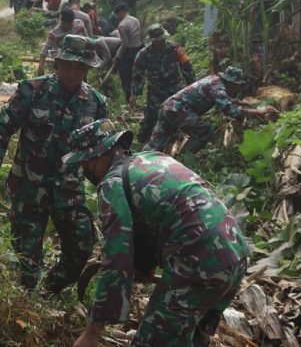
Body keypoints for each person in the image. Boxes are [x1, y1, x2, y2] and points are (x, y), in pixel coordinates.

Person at [64, 119, 249, 347]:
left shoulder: (112, 184)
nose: (85, 172)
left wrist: (92, 332)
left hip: (198, 262)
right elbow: (166, 215)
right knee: (191, 338)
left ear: (95, 157)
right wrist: (145, 267)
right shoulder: (153, 158)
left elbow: (116, 256)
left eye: (84, 165)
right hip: (236, 254)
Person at [0, 35, 108, 293]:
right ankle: (26, 302)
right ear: (57, 62)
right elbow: (3, 127)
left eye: (81, 67)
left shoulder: (96, 103)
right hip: (29, 187)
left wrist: (107, 187)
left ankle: (49, 291)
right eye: (69, 65)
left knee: (82, 247)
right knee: (27, 257)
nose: (74, 72)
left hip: (69, 190)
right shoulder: (32, 90)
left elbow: (100, 151)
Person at [144, 66, 279, 153]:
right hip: (178, 110)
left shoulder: (214, 80)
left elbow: (222, 99)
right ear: (232, 82)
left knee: (155, 143)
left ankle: (137, 162)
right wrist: (258, 111)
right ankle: (184, 162)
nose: (238, 89)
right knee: (204, 130)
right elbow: (230, 110)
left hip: (168, 108)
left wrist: (240, 102)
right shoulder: (218, 86)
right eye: (238, 86)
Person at [130, 24, 197, 144]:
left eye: (162, 39)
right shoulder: (143, 54)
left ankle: (184, 134)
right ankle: (144, 137)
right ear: (152, 41)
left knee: (181, 109)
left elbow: (186, 66)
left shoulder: (175, 48)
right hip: (156, 87)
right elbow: (137, 74)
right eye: (158, 40)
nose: (161, 42)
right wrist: (134, 93)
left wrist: (192, 85)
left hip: (175, 84)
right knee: (153, 115)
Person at [37, 8, 88, 76]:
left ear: (72, 21)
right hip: (62, 63)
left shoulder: (79, 25)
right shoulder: (54, 33)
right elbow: (45, 49)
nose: (66, 26)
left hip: (79, 62)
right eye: (64, 23)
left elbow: (87, 40)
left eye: (69, 23)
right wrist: (41, 67)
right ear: (60, 20)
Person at [111, 2, 142, 103]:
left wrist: (117, 56)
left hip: (128, 52)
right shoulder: (135, 19)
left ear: (121, 12)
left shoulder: (122, 25)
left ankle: (129, 100)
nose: (116, 17)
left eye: (117, 14)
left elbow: (124, 44)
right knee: (136, 74)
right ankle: (137, 96)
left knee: (126, 77)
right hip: (138, 50)